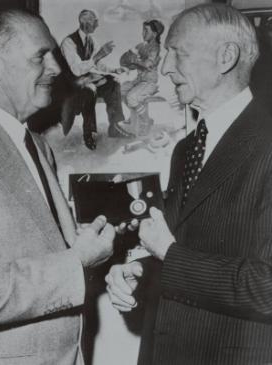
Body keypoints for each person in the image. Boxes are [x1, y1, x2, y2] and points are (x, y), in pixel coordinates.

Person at [0, 9, 116, 365]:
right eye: (41, 56)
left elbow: (43, 251)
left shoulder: (36, 145)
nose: (57, 68)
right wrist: (77, 262)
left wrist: (104, 268)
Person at [106, 4, 272, 364]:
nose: (165, 68)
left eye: (177, 52)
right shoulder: (187, 148)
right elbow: (187, 251)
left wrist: (168, 253)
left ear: (226, 57)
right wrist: (139, 274)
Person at [59, 9, 133, 150]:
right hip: (72, 86)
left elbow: (98, 64)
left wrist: (113, 70)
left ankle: (114, 126)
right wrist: (98, 55)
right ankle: (89, 132)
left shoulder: (91, 40)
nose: (97, 25)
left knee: (113, 81)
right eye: (95, 21)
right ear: (84, 22)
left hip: (87, 81)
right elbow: (77, 69)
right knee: (90, 89)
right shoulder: (68, 43)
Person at [120, 19, 164, 136]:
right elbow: (123, 61)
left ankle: (146, 120)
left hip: (149, 82)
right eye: (142, 30)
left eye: (146, 30)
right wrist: (130, 59)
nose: (143, 33)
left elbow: (148, 65)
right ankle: (134, 114)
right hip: (139, 80)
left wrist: (134, 60)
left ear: (155, 34)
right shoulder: (140, 46)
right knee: (120, 90)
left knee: (131, 97)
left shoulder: (155, 48)